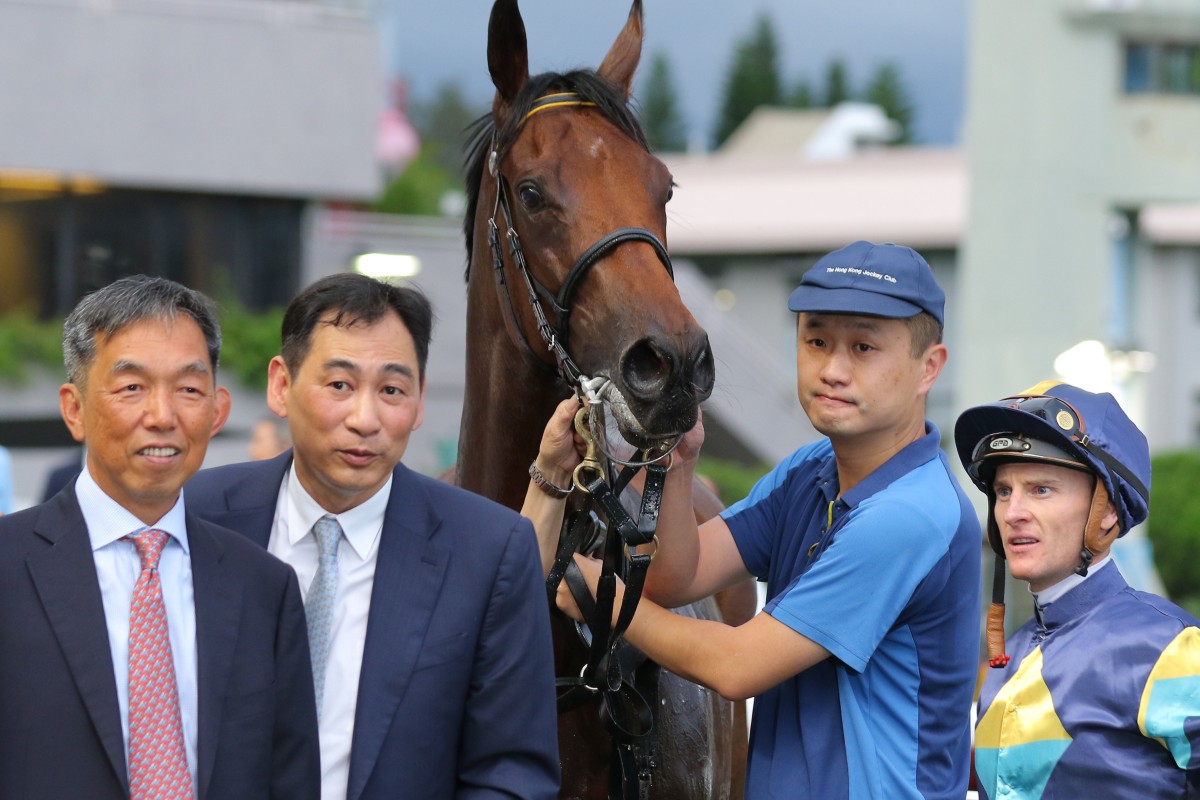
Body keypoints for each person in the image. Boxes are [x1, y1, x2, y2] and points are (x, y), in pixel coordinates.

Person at [530, 240, 983, 799]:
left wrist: (604, 596)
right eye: (816, 340)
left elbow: (735, 666)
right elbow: (679, 580)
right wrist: (680, 464)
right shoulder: (811, 470)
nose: (833, 369)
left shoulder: (911, 516)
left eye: (864, 347)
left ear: (928, 368)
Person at [186, 273, 559, 800]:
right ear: (281, 385)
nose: (366, 419)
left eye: (391, 390)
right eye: (339, 385)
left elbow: (511, 774)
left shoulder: (490, 551)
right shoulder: (196, 517)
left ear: (420, 400)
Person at [0, 275, 320, 799]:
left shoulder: (262, 586)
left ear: (217, 411)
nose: (162, 416)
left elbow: (289, 777)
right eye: (132, 388)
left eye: (189, 390)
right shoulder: (8, 568)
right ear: (74, 409)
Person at [954, 381, 1200, 798]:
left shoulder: (1171, 648)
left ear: (1106, 513)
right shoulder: (1007, 657)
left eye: (1040, 489)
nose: (1012, 513)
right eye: (1003, 491)